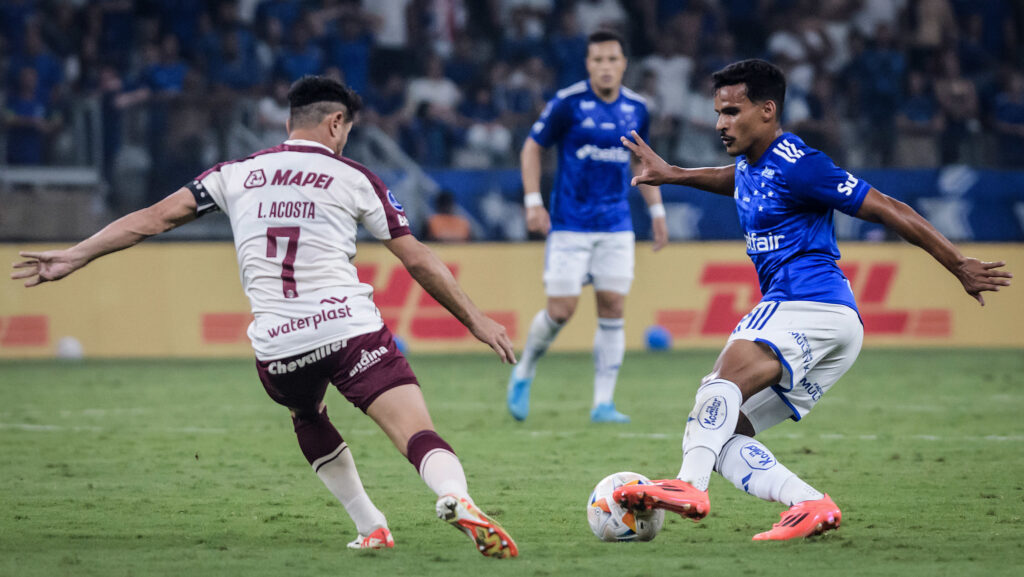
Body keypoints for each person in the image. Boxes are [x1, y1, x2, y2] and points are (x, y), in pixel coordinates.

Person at [11, 76, 519, 558]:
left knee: (307, 415)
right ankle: (455, 496)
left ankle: (371, 526)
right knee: (413, 430)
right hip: (347, 329)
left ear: (289, 122)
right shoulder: (355, 177)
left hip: (279, 347)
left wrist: (75, 255)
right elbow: (418, 259)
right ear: (336, 123)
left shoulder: (235, 173)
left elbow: (152, 219)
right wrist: (476, 320)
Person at [611, 59, 1012, 540]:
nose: (721, 123)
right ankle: (808, 504)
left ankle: (689, 487)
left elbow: (889, 207)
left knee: (720, 382)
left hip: (808, 302)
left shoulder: (802, 165)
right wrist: (674, 174)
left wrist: (957, 264)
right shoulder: (752, 163)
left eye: (732, 112)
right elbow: (734, 178)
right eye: (718, 112)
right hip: (834, 329)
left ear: (767, 110)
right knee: (720, 433)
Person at [508, 29, 668, 424]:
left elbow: (640, 161)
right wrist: (533, 202)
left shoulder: (637, 108)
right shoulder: (568, 103)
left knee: (613, 306)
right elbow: (532, 147)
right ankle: (524, 368)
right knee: (561, 310)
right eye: (598, 60)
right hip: (570, 225)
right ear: (588, 64)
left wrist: (657, 211)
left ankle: (603, 404)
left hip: (616, 224)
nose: (606, 67)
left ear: (623, 63)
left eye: (612, 59)